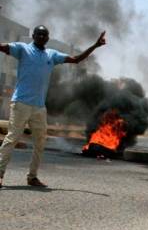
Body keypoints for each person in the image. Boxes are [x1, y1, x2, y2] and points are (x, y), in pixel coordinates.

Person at [0, 25, 106, 188]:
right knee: (12, 138)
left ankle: (32, 177)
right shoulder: (22, 49)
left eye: (44, 35)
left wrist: (95, 45)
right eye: (39, 34)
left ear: (48, 38)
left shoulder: (51, 55)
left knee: (40, 142)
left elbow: (76, 60)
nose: (42, 37)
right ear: (33, 36)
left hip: (39, 107)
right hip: (21, 103)